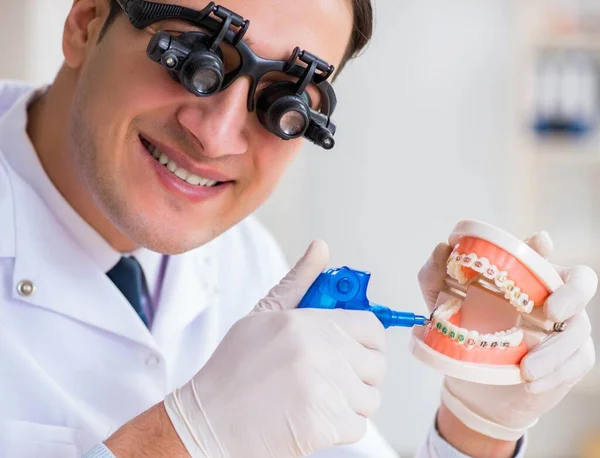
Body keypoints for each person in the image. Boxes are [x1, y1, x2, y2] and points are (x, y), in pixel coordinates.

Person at [0, 0, 596, 456]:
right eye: (190, 59)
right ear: (86, 21)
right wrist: (180, 440)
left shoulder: (244, 261)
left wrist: (478, 428)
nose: (218, 135)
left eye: (283, 101)